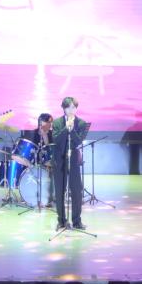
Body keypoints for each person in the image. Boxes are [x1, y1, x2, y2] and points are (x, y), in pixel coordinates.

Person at [51, 96, 90, 230]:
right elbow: (56, 140)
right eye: (68, 107)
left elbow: (78, 141)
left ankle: (77, 221)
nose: (71, 110)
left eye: (73, 107)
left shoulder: (81, 123)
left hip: (73, 160)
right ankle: (61, 220)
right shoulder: (57, 122)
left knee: (76, 191)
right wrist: (65, 128)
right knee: (60, 191)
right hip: (59, 159)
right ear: (64, 108)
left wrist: (72, 130)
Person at [27, 112, 55, 207]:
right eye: (48, 122)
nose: (50, 124)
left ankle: (49, 198)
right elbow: (31, 147)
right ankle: (32, 196)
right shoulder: (34, 133)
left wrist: (45, 135)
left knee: (52, 170)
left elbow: (49, 148)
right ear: (41, 122)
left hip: (47, 160)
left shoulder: (51, 133)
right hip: (35, 159)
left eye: (51, 122)